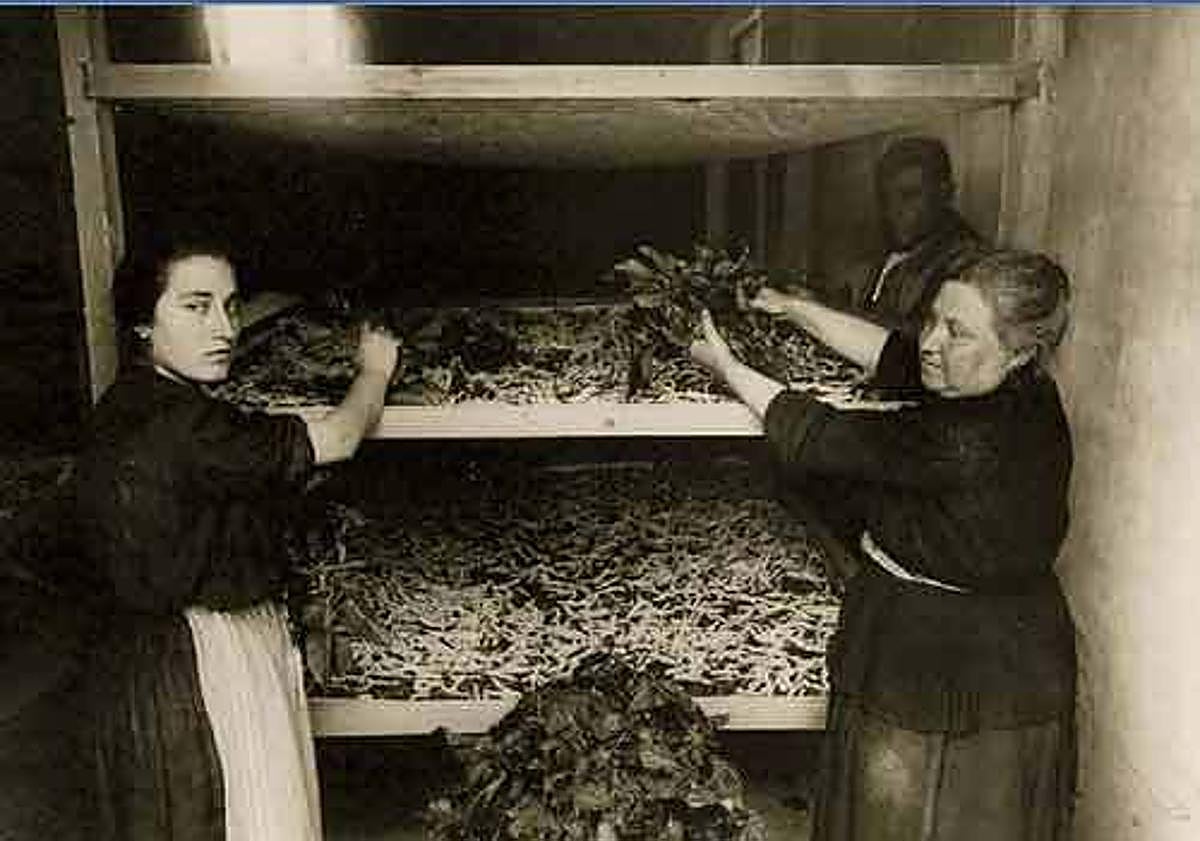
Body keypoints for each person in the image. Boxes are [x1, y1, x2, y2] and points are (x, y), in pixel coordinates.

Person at [690, 250, 1077, 841]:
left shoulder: (967, 437)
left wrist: (727, 366)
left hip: (965, 659)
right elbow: (894, 354)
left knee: (930, 817)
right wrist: (791, 308)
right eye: (933, 319)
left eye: (957, 331)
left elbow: (821, 436)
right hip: (992, 639)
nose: (931, 341)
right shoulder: (1021, 390)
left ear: (1020, 351)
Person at [73, 241, 400, 841]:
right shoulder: (188, 425)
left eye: (229, 307)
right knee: (244, 815)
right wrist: (374, 372)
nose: (224, 329)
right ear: (143, 322)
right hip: (203, 661)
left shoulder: (127, 403)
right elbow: (338, 438)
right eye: (195, 307)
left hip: (143, 662)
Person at [818, 136, 987, 332]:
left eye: (909, 195)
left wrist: (831, 313)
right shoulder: (885, 244)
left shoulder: (969, 263)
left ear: (945, 193)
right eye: (886, 198)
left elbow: (924, 337)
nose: (893, 210)